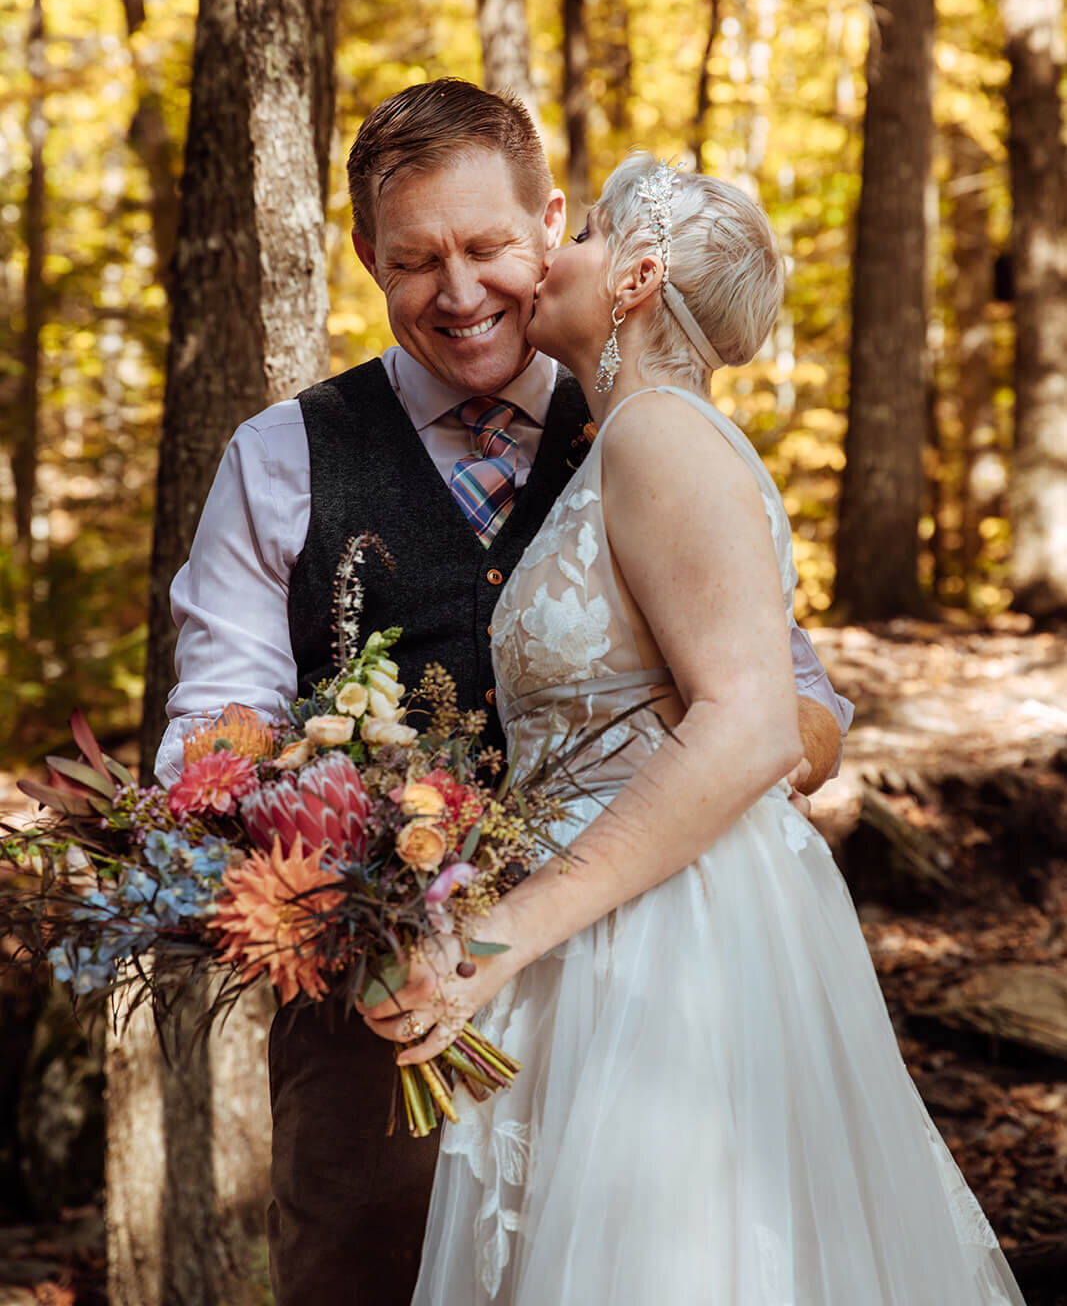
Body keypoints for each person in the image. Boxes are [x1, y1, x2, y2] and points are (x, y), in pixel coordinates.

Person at [154, 83, 851, 1305]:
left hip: (642, 1006)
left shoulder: (647, 423)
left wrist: (677, 772)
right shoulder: (278, 459)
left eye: (486, 248)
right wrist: (343, 858)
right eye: (417, 259)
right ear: (366, 254)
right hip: (381, 1023)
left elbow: (796, 706)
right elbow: (212, 734)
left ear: (550, 221)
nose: (460, 291)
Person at [361, 153, 1024, 1306]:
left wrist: (501, 935)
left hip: (669, 947)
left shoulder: (658, 434)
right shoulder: (627, 439)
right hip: (620, 922)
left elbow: (750, 725)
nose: (547, 264)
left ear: (636, 276)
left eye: (585, 237)